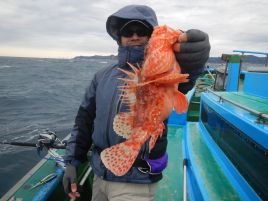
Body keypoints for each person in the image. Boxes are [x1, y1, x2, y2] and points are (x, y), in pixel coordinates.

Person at [63, 4, 210, 201]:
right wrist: (72, 162)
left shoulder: (168, 68)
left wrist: (195, 60)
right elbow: (84, 121)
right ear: (119, 37)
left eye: (141, 30)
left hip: (136, 181)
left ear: (151, 35)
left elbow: (186, 79)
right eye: (127, 31)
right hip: (100, 173)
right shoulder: (102, 76)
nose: (134, 36)